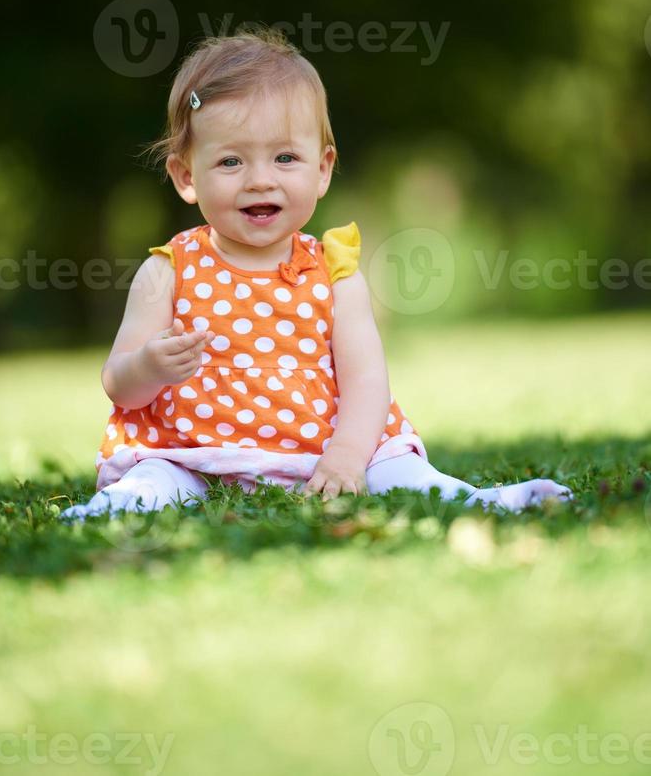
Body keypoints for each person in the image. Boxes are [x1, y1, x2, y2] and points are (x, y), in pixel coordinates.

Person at [59, 28, 573, 522]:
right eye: (231, 161)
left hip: (321, 443)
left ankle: (480, 500)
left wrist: (347, 456)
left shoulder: (334, 271)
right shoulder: (167, 270)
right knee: (156, 482)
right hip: (194, 451)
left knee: (398, 469)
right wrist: (147, 367)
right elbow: (118, 385)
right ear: (186, 177)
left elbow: (366, 380)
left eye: (285, 158)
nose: (261, 180)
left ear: (323, 169)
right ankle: (107, 511)